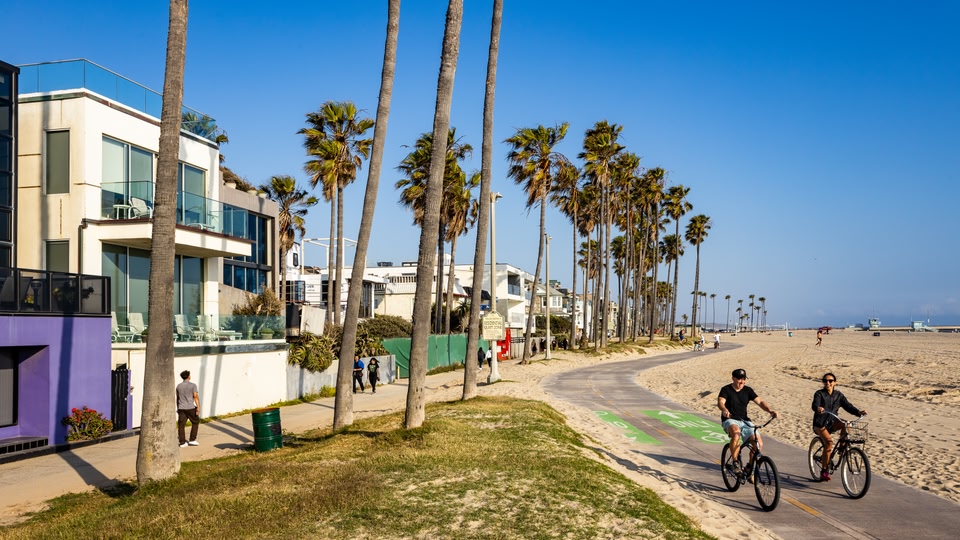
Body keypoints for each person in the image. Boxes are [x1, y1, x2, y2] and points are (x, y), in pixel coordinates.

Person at [717, 368, 779, 472]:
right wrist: (724, 409)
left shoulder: (748, 390)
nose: (742, 381)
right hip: (730, 419)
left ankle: (749, 467)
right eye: (739, 379)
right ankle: (735, 462)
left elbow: (760, 402)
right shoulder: (726, 389)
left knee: (758, 444)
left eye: (744, 379)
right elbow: (720, 402)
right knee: (736, 433)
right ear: (733, 378)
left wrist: (770, 410)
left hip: (745, 421)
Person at [811, 372, 866, 481]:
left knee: (846, 424)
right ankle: (824, 471)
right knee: (829, 443)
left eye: (830, 381)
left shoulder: (838, 395)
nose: (828, 383)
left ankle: (842, 448)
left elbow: (848, 406)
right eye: (825, 381)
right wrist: (818, 408)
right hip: (820, 424)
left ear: (835, 382)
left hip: (832, 422)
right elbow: (815, 404)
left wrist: (858, 412)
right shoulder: (819, 394)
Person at [176, 370, 200, 448]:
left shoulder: (178, 386)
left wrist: (178, 407)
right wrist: (198, 407)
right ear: (189, 376)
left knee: (181, 425)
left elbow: (178, 398)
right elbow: (195, 396)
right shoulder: (193, 385)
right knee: (195, 422)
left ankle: (182, 442)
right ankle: (192, 439)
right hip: (190, 407)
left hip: (181, 408)